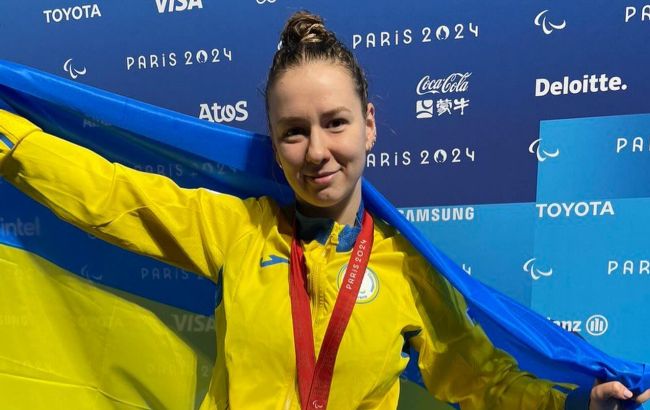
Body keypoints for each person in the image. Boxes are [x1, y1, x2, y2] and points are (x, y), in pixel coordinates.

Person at [0, 11, 648, 410]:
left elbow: (481, 380)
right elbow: (113, 196)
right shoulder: (239, 229)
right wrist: (8, 139)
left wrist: (576, 404)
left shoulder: (408, 268)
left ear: (370, 126)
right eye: (294, 131)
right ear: (274, 143)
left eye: (335, 122)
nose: (317, 152)